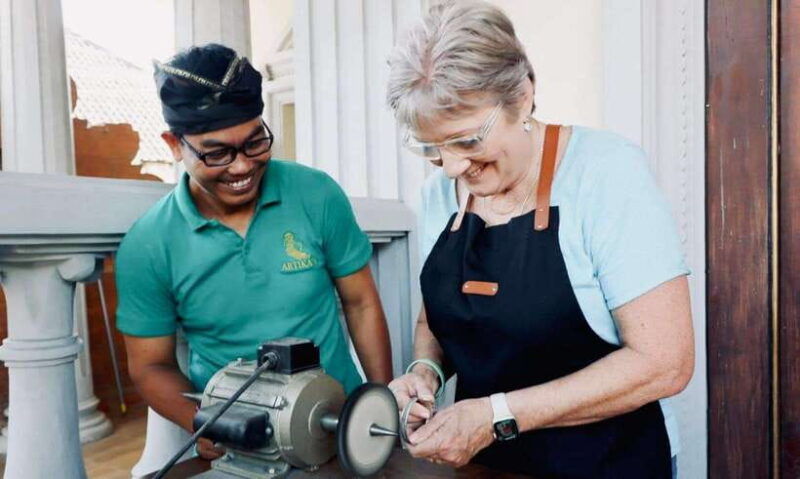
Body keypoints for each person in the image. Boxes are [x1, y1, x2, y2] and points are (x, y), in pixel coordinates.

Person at [385, 2, 694, 478]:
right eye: (430, 149)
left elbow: (664, 362)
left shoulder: (606, 173)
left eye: (467, 141)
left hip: (609, 462)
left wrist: (496, 416)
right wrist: (425, 372)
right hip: (486, 466)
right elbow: (437, 315)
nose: (450, 167)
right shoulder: (438, 195)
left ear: (523, 95)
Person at [116, 44, 392, 459]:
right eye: (217, 153)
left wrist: (379, 404)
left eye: (255, 142)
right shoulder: (149, 244)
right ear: (175, 145)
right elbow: (149, 365)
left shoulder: (316, 194)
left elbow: (361, 303)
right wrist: (207, 422)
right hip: (242, 446)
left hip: (339, 424)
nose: (242, 167)